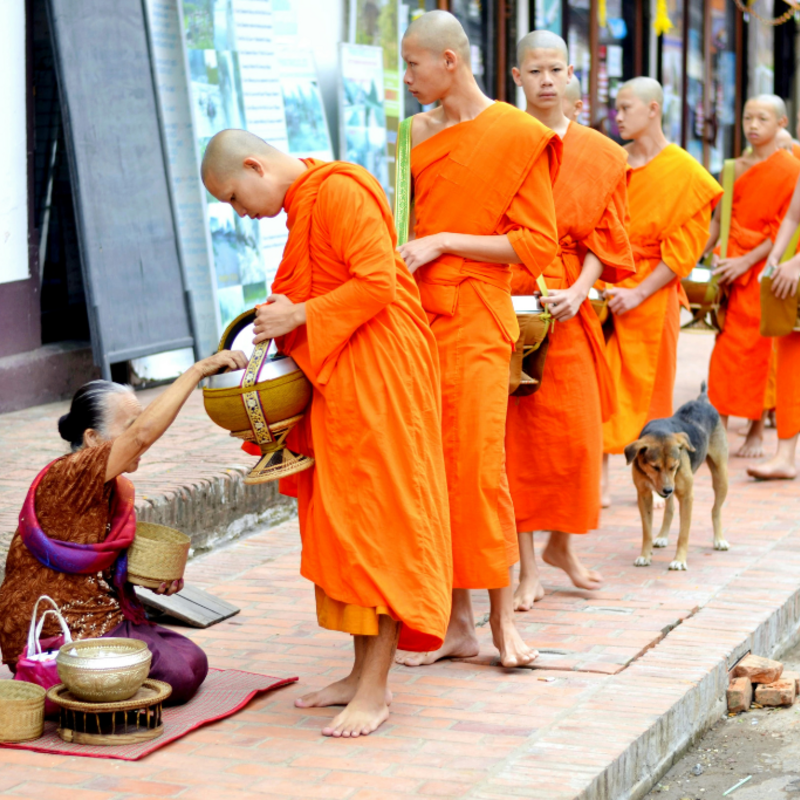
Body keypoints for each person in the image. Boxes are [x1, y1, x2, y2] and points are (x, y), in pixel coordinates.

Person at [201, 129, 452, 738]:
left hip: (381, 378)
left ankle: (376, 688)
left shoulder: (338, 190)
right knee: (348, 524)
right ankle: (357, 672)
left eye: (236, 197)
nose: (242, 213)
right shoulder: (305, 202)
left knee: (382, 523)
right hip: (343, 379)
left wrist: (300, 314)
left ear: (256, 166)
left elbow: (377, 285)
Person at [393, 11, 559, 668]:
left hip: (478, 324)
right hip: (419, 324)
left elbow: (537, 245)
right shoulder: (414, 133)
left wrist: (445, 240)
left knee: (479, 472)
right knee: (432, 473)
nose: (406, 77)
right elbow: (402, 226)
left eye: (413, 64)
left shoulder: (517, 135)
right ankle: (454, 623)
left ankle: (500, 625)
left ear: (449, 62)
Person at [0, 351, 247, 703]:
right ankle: (71, 680)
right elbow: (145, 436)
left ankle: (109, 681)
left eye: (137, 424)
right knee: (177, 674)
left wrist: (147, 577)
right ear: (92, 439)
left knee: (193, 661)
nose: (139, 437)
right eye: (128, 427)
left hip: (103, 613)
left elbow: (105, 562)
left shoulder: (113, 486)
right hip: (60, 627)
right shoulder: (70, 474)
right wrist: (200, 370)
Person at [506, 31, 635, 609]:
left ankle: (562, 544)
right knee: (519, 445)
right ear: (516, 77)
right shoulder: (499, 142)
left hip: (570, 305)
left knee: (578, 439)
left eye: (556, 69)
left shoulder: (602, 153)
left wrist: (581, 290)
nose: (547, 81)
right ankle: (527, 565)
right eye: (536, 71)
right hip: (511, 305)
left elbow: (606, 236)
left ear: (571, 73)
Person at [601, 78, 722, 505]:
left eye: (625, 108)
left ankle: (654, 475)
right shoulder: (613, 161)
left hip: (654, 295)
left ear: (653, 109)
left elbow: (685, 250)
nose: (617, 116)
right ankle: (596, 478)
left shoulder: (686, 172)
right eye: (614, 108)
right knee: (600, 384)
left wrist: (638, 292)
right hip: (605, 284)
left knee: (649, 391)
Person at [705, 95, 800, 457]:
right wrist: (700, 258)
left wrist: (748, 263)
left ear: (782, 124)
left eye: (762, 118)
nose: (753, 125)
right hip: (730, 267)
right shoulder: (733, 167)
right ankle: (719, 430)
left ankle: (757, 432)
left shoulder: (790, 169)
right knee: (726, 352)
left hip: (768, 269)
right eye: (747, 117)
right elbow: (718, 220)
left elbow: (783, 227)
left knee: (765, 352)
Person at [747, 172, 800, 481]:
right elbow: (793, 216)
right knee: (790, 365)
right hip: (792, 277)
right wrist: (776, 258)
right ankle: (784, 455)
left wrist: (796, 263)